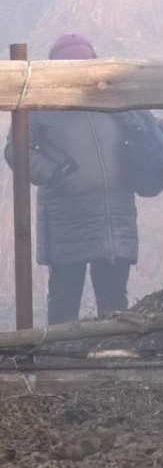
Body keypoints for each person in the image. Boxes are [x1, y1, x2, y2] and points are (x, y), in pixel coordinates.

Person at [4, 34, 138, 324]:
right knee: (65, 296)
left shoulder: (113, 97)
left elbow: (140, 133)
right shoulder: (42, 103)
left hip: (112, 216)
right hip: (67, 216)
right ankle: (60, 359)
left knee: (114, 297)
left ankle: (115, 356)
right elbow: (15, 148)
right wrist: (52, 173)